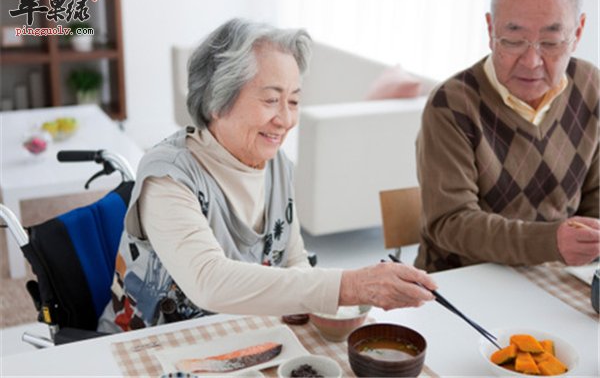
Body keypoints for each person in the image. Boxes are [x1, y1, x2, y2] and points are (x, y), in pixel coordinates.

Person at [98, 18, 436, 332]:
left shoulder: (276, 165)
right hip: (146, 347)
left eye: (293, 101)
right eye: (272, 100)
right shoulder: (168, 176)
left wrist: (328, 310)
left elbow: (294, 259)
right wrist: (350, 285)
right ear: (218, 101)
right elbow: (208, 281)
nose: (286, 119)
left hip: (234, 337)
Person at [415, 0, 600, 273]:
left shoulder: (592, 88)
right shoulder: (451, 104)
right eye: (513, 41)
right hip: (462, 281)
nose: (531, 61)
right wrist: (551, 242)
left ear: (577, 33)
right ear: (491, 30)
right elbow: (451, 222)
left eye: (550, 43)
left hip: (555, 276)